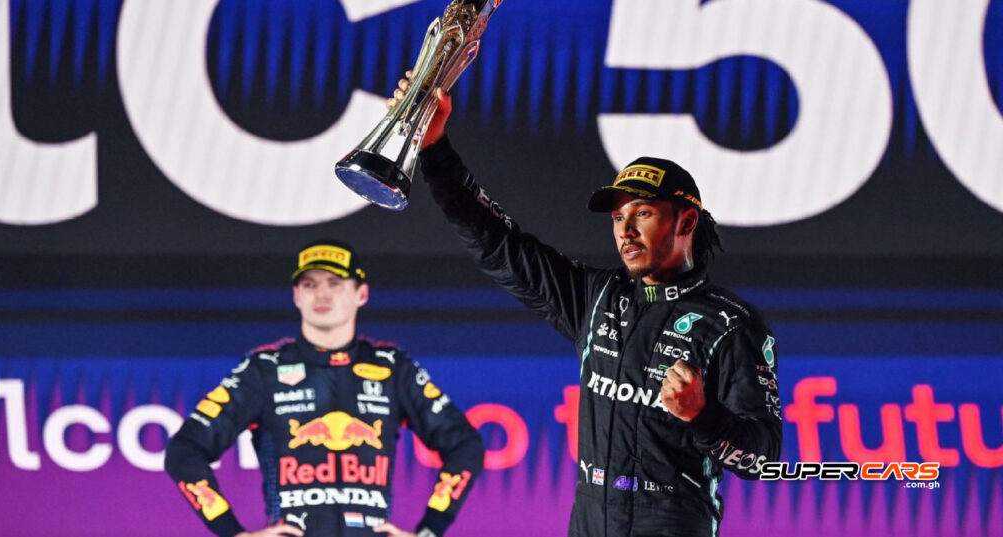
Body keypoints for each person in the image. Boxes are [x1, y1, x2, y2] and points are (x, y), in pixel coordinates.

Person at [389, 81, 782, 536]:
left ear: (686, 221)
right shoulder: (597, 297)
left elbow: (762, 461)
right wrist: (434, 146)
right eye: (618, 218)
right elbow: (495, 242)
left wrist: (702, 414)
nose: (626, 231)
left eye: (643, 213)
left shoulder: (732, 324)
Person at [165, 239, 485, 537]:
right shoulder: (263, 369)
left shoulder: (392, 367)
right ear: (296, 296)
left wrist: (430, 529)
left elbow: (465, 445)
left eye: (335, 283)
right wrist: (230, 531)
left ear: (361, 293)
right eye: (310, 284)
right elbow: (184, 451)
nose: (322, 294)